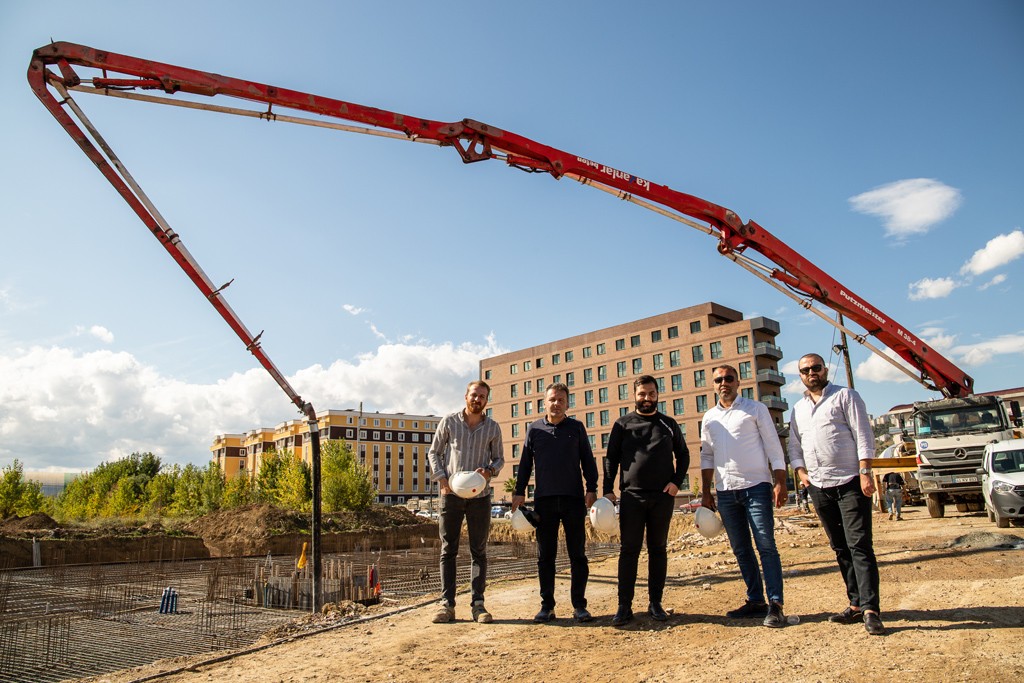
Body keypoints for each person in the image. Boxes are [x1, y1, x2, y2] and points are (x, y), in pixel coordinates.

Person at [788, 354, 885, 636]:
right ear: (801, 376)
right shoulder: (798, 408)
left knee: (860, 545)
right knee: (840, 547)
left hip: (850, 481)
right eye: (805, 370)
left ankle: (870, 609)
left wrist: (865, 470)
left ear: (824, 369)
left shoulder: (846, 396)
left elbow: (863, 434)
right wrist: (802, 474)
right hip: (819, 486)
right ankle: (855, 603)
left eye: (815, 368)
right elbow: (795, 445)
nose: (811, 373)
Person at [700, 364, 789, 628]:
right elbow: (707, 455)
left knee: (765, 545)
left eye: (729, 378)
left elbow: (774, 446)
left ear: (738, 382)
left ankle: (776, 604)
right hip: (726, 492)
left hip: (756, 487)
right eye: (718, 380)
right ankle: (755, 601)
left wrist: (780, 481)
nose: (723, 383)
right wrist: (706, 491)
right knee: (741, 549)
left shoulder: (755, 409)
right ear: (713, 385)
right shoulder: (709, 418)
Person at [603, 375, 689, 626]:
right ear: (635, 395)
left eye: (651, 394)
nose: (647, 398)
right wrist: (608, 489)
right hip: (632, 496)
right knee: (628, 551)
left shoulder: (669, 424)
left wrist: (676, 482)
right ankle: (624, 606)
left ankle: (655, 603)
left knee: (658, 550)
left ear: (657, 395)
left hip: (662, 498)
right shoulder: (622, 424)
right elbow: (611, 459)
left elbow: (683, 455)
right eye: (642, 394)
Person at [512, 383, 599, 623]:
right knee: (545, 556)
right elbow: (525, 464)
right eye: (552, 399)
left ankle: (579, 606)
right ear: (544, 402)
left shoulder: (577, 428)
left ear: (567, 403)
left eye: (561, 400)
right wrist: (519, 492)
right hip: (544, 501)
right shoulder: (534, 429)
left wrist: (591, 488)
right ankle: (546, 606)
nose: (556, 404)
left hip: (573, 499)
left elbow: (588, 461)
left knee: (577, 555)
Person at [427, 380, 504, 624]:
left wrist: (489, 471)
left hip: (480, 498)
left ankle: (478, 605)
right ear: (466, 396)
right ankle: (446, 605)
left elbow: (500, 459)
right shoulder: (449, 422)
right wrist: (442, 480)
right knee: (448, 549)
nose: (477, 399)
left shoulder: (493, 428)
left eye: (482, 396)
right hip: (451, 495)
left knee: (478, 551)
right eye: (474, 395)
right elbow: (434, 452)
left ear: (486, 401)